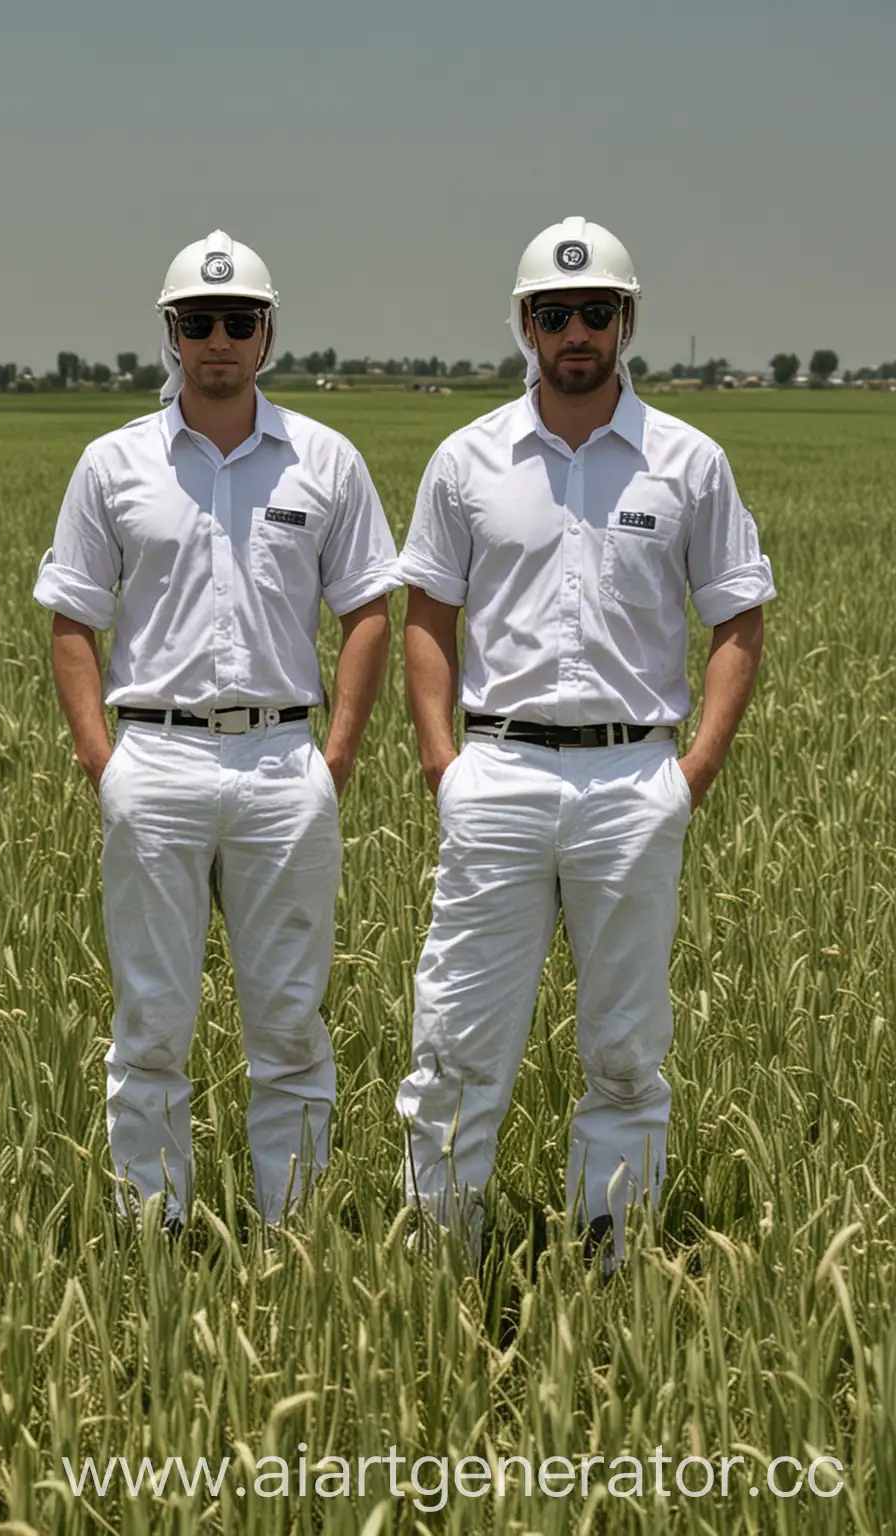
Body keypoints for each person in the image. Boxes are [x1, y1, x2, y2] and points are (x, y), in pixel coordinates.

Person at [393, 217, 775, 1263]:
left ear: (626, 322)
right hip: (501, 771)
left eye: (595, 312)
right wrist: (444, 764)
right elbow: (427, 614)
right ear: (524, 323)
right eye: (554, 313)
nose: (575, 331)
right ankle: (441, 1254)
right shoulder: (466, 460)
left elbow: (737, 616)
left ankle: (612, 1256)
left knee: (624, 1047)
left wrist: (692, 769)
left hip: (631, 778)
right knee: (458, 1038)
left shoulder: (687, 462)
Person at [34, 230, 398, 1227]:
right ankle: (152, 1236)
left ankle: (297, 1238)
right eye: (199, 323)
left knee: (289, 1024)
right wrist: (103, 763)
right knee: (151, 1023)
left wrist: (339, 756)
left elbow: (369, 608)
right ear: (171, 334)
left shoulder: (325, 460)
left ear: (269, 332)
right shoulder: (113, 465)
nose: (220, 341)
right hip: (155, 761)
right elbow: (72, 619)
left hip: (285, 762)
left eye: (239, 322)